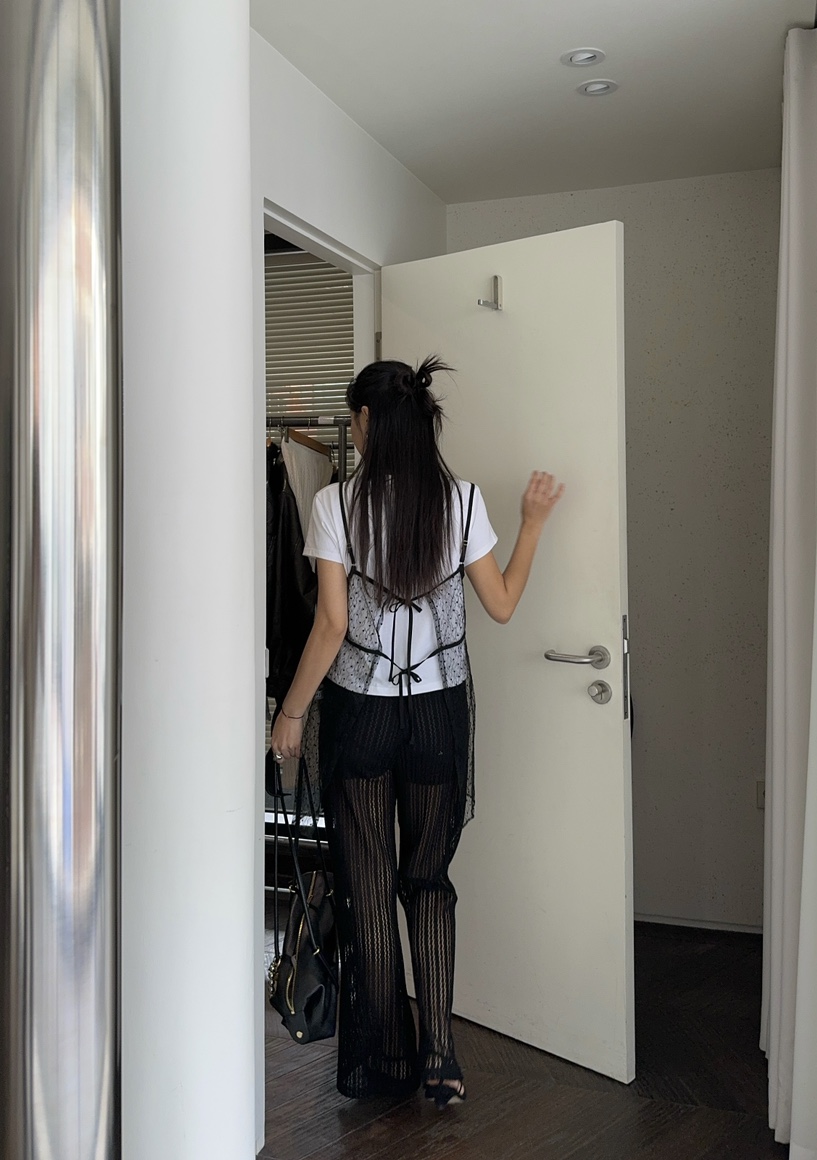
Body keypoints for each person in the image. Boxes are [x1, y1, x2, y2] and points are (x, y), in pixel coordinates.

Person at [271, 356, 564, 1109]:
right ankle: (441, 1058)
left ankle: (383, 1063)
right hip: (437, 716)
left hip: (361, 716)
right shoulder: (462, 502)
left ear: (367, 421)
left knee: (369, 893)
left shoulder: (336, 504)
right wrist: (533, 524)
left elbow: (331, 626)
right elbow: (501, 604)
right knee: (428, 886)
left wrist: (290, 713)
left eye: (354, 419)